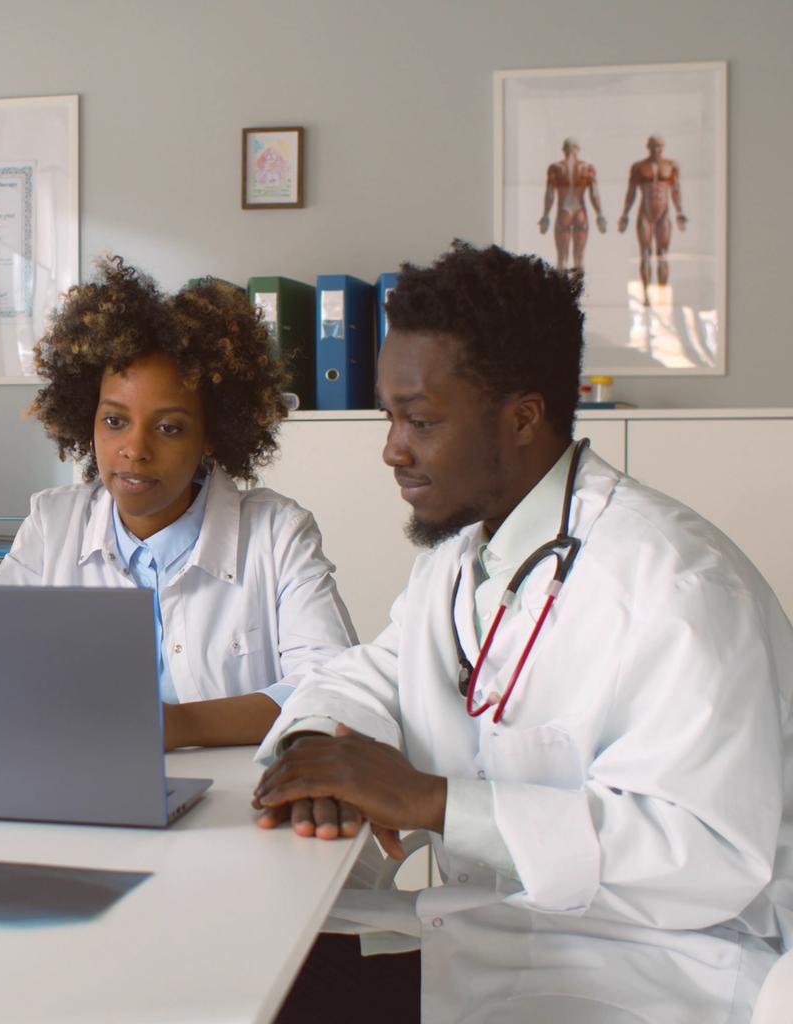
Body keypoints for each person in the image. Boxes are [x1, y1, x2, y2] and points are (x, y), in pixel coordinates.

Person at [253, 241, 793, 1023]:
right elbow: (375, 672)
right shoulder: (468, 553)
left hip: (650, 973)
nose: (391, 448)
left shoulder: (675, 584)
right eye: (389, 415)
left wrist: (434, 802)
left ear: (523, 418)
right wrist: (316, 749)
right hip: (495, 940)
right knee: (256, 979)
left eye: (421, 420)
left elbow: (706, 856)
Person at [0, 256, 356, 749]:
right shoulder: (51, 526)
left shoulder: (278, 533)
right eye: (115, 421)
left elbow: (331, 687)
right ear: (88, 420)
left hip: (237, 803)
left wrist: (178, 726)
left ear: (211, 435)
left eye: (169, 427)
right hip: (81, 785)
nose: (135, 450)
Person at [618, 135, 688, 299]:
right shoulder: (639, 167)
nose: (656, 149)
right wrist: (625, 214)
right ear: (648, 147)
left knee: (663, 255)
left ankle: (662, 294)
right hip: (645, 213)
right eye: (653, 146)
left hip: (664, 213)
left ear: (662, 147)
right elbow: (631, 192)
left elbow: (675, 190)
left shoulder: (671, 166)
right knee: (645, 254)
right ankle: (646, 295)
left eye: (658, 146)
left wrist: (680, 212)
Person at [537, 137, 605, 277]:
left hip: (564, 212)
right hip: (580, 212)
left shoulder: (556, 168)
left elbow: (550, 194)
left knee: (562, 258)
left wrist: (545, 216)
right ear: (577, 149)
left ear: (563, 149)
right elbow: (594, 194)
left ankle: (562, 294)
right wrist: (600, 214)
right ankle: (578, 293)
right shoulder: (587, 168)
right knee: (579, 258)